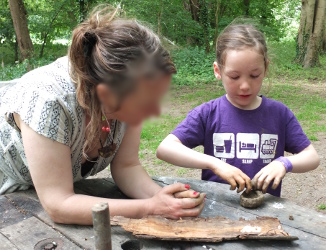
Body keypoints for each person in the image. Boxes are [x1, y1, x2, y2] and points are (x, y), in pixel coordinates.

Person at [0, 5, 205, 225]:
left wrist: (162, 199)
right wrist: (148, 207)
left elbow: (127, 166)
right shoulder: (48, 100)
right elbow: (59, 204)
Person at [157, 24, 320, 197]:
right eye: (234, 77)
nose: (244, 86)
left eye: (254, 75)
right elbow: (165, 149)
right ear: (218, 71)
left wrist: (284, 163)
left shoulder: (279, 113)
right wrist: (215, 164)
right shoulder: (208, 113)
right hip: (218, 210)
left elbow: (312, 157)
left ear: (265, 68)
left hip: (266, 214)